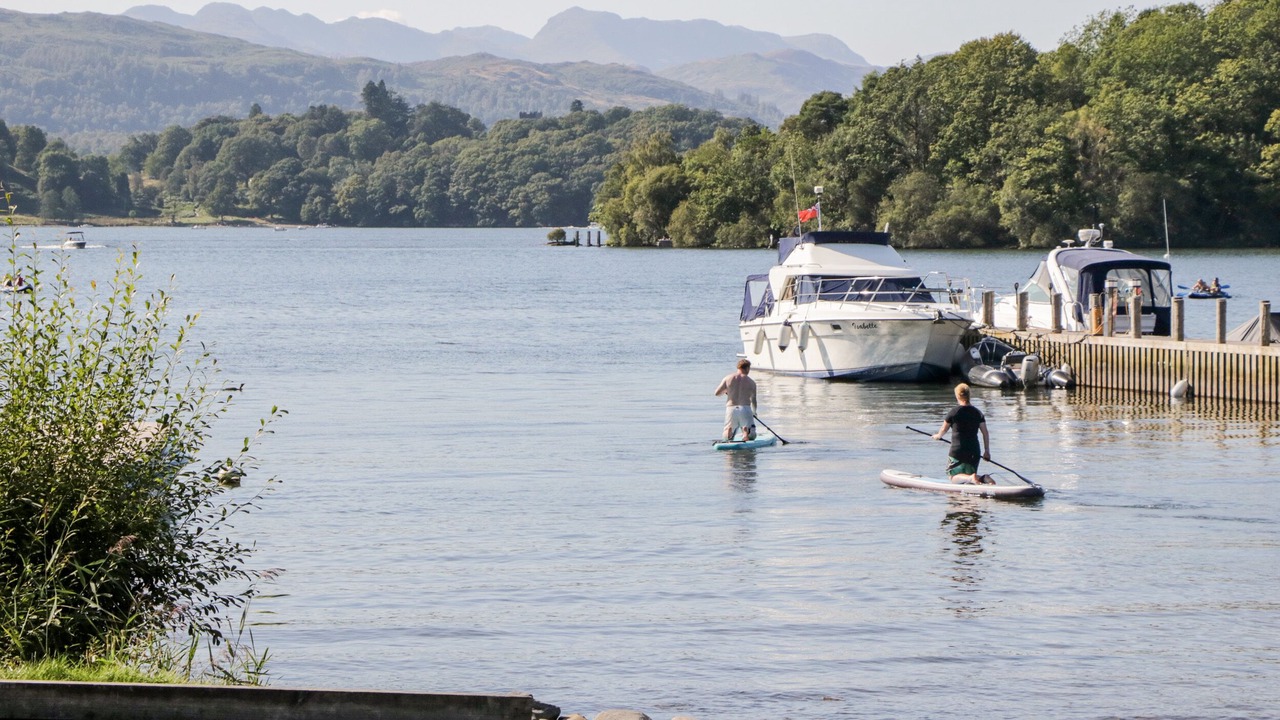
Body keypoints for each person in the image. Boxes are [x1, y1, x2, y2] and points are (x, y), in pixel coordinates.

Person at [932, 383, 992, 484]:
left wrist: (937, 436)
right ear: (969, 395)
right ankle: (984, 478)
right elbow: (985, 433)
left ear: (957, 396)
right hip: (974, 451)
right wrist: (986, 451)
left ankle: (971, 478)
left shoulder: (954, 412)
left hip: (958, 451)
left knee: (953, 477)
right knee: (969, 480)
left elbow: (943, 429)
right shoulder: (978, 413)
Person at [714, 358, 757, 442]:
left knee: (726, 437)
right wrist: (754, 412)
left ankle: (729, 432)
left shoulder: (727, 378)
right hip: (745, 408)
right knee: (752, 436)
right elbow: (754, 400)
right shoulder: (751, 382)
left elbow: (717, 393)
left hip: (731, 408)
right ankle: (745, 432)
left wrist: (727, 391)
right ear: (747, 368)